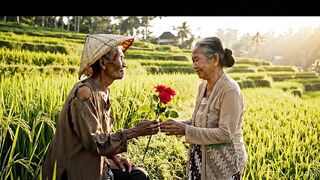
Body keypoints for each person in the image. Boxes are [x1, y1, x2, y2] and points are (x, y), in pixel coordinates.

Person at [42, 34, 160, 180]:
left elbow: (101, 133)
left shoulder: (104, 91)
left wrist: (113, 155)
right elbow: (95, 141)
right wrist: (134, 131)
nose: (124, 64)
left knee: (139, 175)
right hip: (74, 170)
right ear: (103, 62)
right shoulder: (84, 93)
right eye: (120, 58)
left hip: (97, 164)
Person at [160, 37, 247, 180]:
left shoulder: (229, 90)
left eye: (197, 59)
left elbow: (225, 134)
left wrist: (185, 130)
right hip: (200, 159)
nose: (194, 65)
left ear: (214, 59)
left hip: (223, 164)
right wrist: (176, 124)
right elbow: (199, 122)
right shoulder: (203, 86)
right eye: (193, 60)